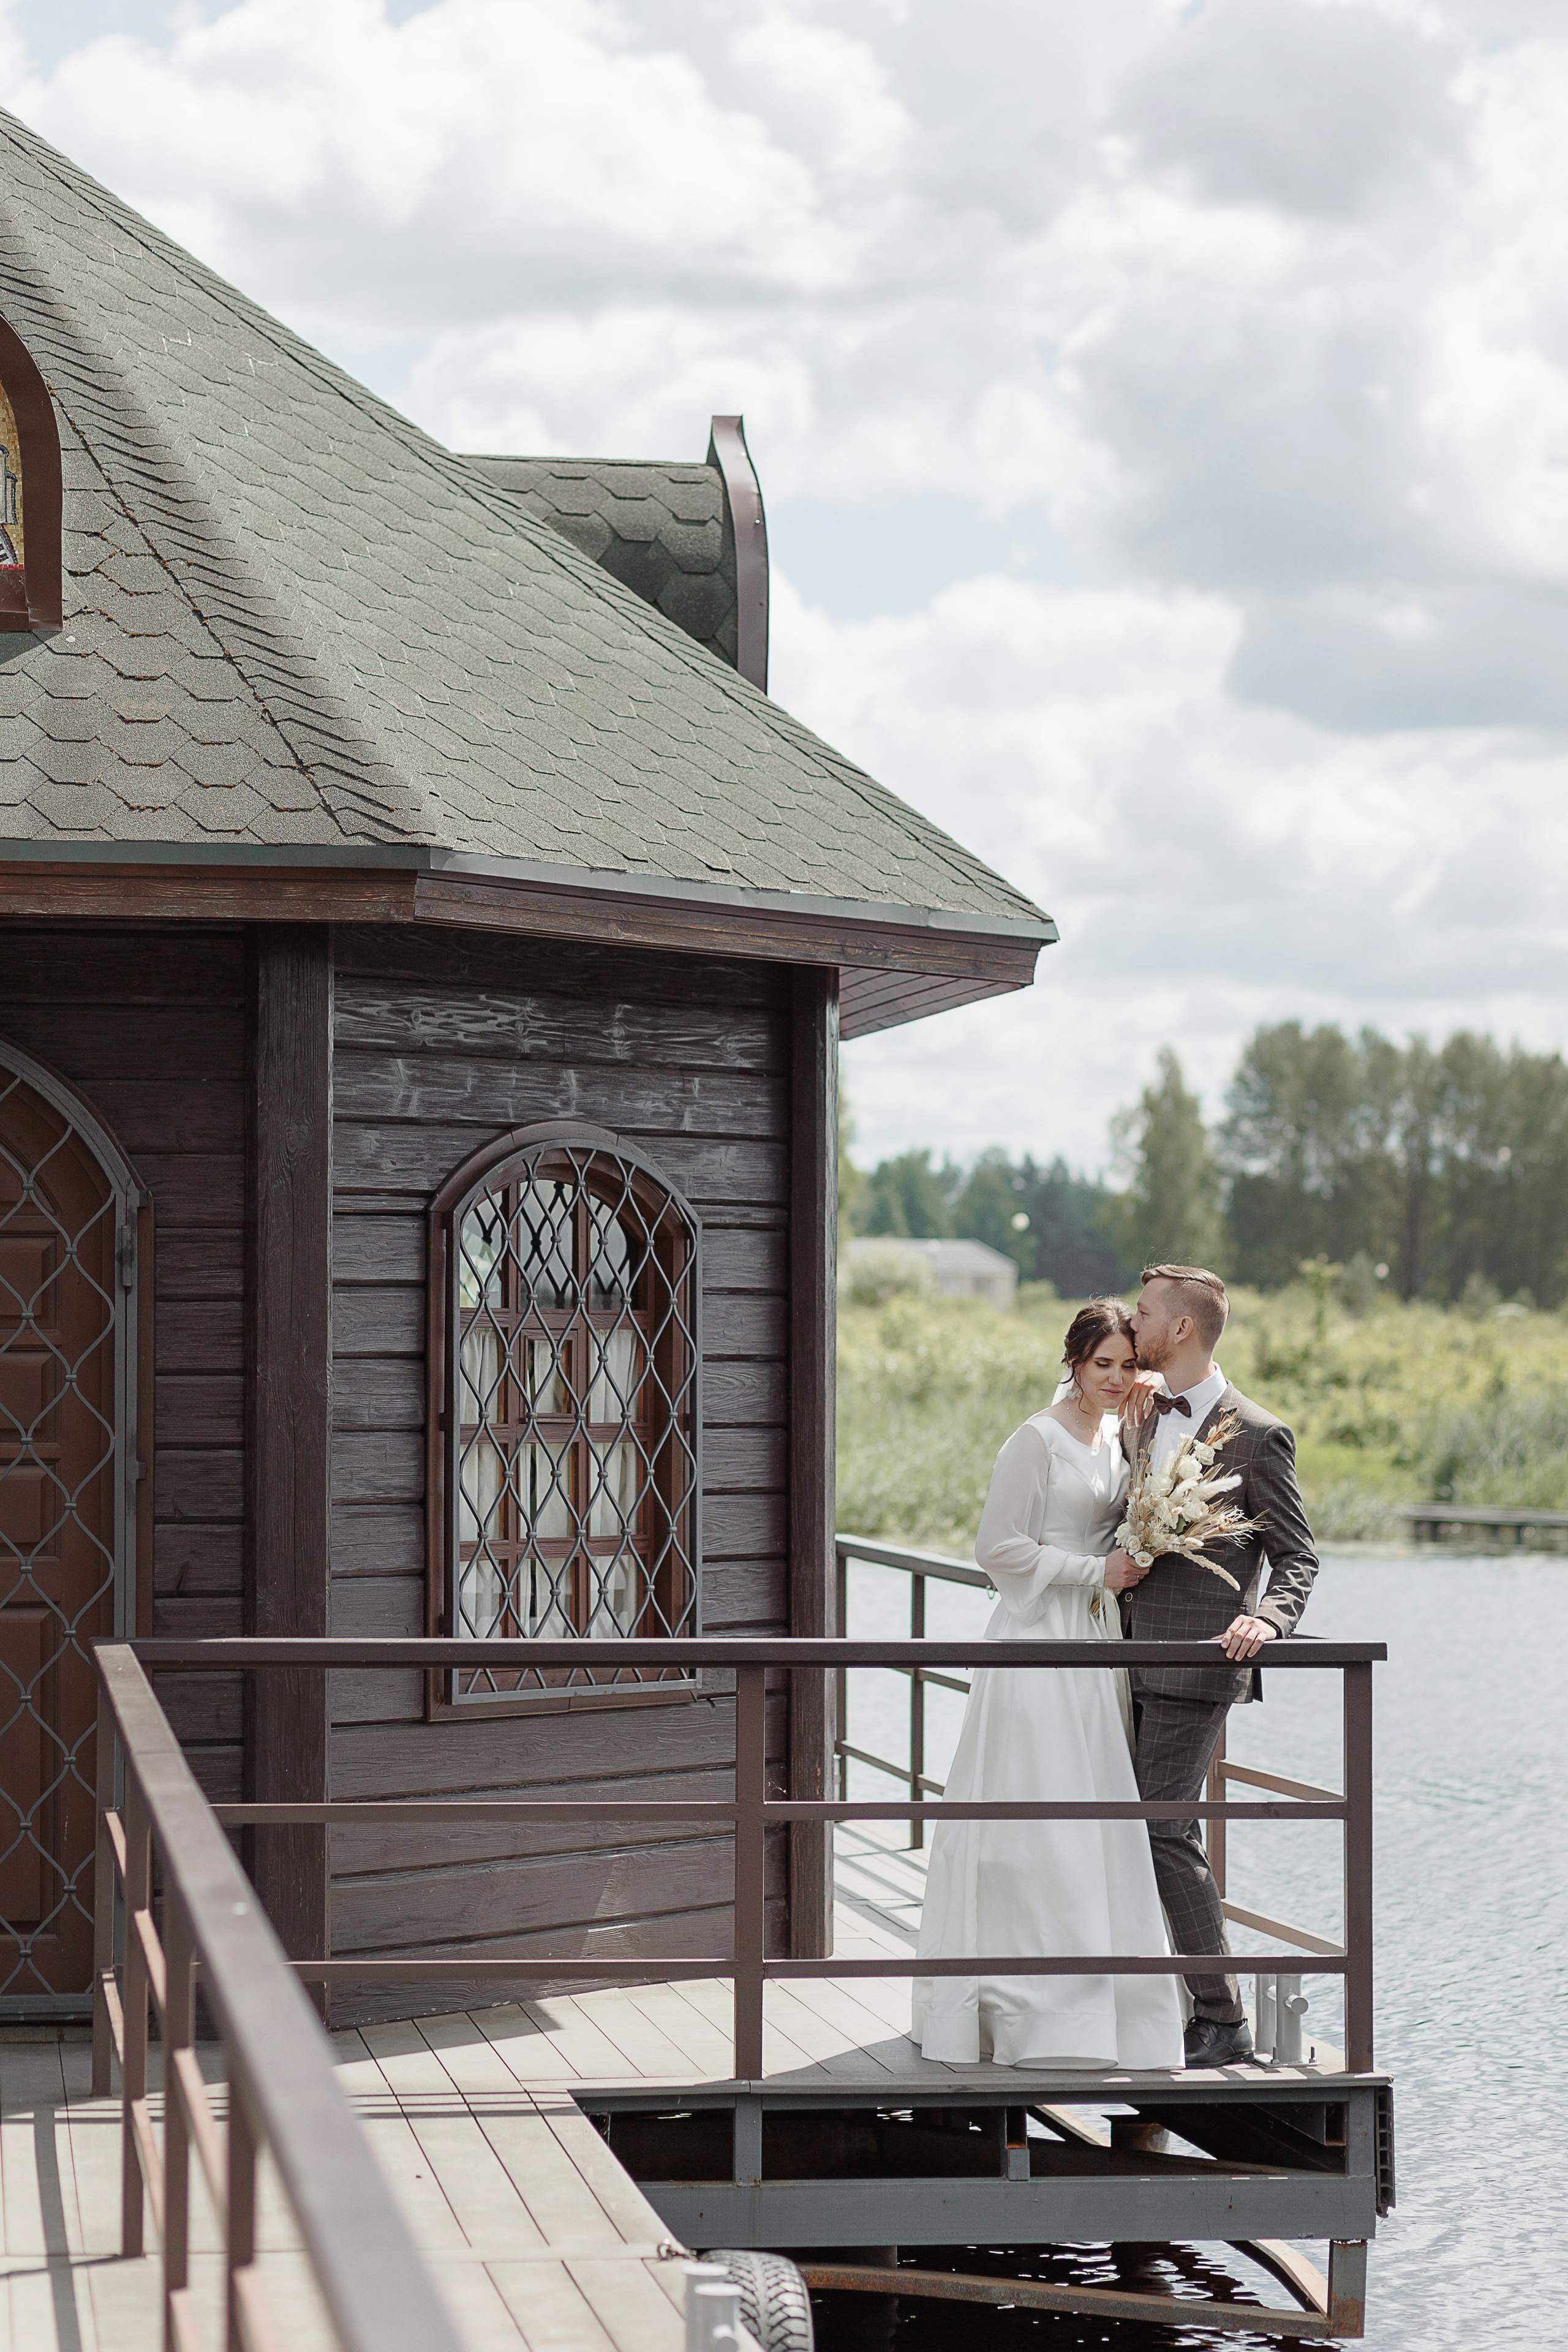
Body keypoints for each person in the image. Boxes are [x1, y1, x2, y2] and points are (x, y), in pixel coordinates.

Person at [911, 1301, 1185, 2070]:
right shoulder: (1034, 1439)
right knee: (1036, 1818)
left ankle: (1101, 2010)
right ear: (1073, 1362)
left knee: (1094, 1818)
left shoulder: (1117, 1434)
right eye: (1102, 1364)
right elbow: (995, 1547)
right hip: (1036, 1639)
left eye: (1128, 1365)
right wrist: (1091, 1571)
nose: (1116, 1378)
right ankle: (1019, 2011)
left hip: (1093, 1643)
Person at [1114, 1262, 1320, 2068]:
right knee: (1119, 1826)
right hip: (1116, 1658)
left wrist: (1266, 1618)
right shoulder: (1141, 1412)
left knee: (1163, 1828)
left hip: (1195, 1667)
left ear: (1182, 1328)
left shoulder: (1258, 1434)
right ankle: (1144, 2000)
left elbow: (1297, 1556)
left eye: (1143, 1314)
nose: (1132, 1324)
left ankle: (1221, 2013)